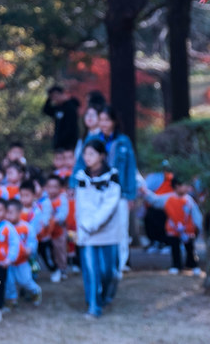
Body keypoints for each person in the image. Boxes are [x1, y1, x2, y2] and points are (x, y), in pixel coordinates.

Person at [75, 139, 122, 318]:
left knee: (108, 271)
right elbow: (81, 205)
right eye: (85, 154)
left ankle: (105, 296)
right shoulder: (81, 176)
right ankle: (94, 306)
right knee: (90, 270)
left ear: (102, 155)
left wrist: (92, 224)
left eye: (91, 154)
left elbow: (109, 205)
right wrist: (84, 227)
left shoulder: (112, 175)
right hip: (86, 232)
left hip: (107, 232)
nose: (87, 158)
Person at [97, 106, 138, 275]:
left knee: (121, 229)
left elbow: (130, 169)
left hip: (120, 192)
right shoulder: (93, 141)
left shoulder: (123, 141)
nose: (103, 124)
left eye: (107, 120)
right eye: (101, 120)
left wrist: (130, 194)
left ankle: (120, 265)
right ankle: (103, 264)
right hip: (98, 192)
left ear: (114, 121)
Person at [5, 198, 43, 307]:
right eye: (6, 212)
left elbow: (33, 240)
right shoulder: (5, 227)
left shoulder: (26, 227)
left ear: (19, 213)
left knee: (25, 281)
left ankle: (35, 291)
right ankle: (12, 301)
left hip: (22, 260)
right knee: (9, 282)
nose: (8, 215)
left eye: (11, 212)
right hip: (8, 261)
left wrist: (30, 249)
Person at [162, 178, 203, 275]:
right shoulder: (170, 199)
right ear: (177, 186)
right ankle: (176, 265)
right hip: (173, 229)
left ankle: (193, 265)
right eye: (185, 185)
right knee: (175, 248)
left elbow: (195, 215)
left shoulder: (189, 200)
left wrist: (198, 227)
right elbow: (170, 213)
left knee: (190, 249)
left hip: (188, 230)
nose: (187, 188)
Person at [38, 174, 70, 282]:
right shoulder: (43, 199)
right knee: (50, 251)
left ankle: (62, 269)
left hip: (58, 231)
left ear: (60, 188)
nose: (52, 190)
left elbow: (63, 214)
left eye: (55, 187)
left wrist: (55, 220)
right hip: (47, 232)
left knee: (59, 250)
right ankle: (54, 268)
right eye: (49, 187)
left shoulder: (62, 199)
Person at [71, 93, 106, 185]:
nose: (89, 118)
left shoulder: (105, 137)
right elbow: (78, 162)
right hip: (82, 180)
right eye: (87, 115)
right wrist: (73, 182)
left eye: (93, 115)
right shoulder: (83, 138)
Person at [43, 84, 81, 151]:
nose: (54, 99)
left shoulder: (71, 107)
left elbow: (71, 127)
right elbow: (46, 110)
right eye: (52, 97)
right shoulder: (58, 108)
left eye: (55, 96)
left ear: (61, 94)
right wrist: (49, 99)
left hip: (69, 143)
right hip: (58, 143)